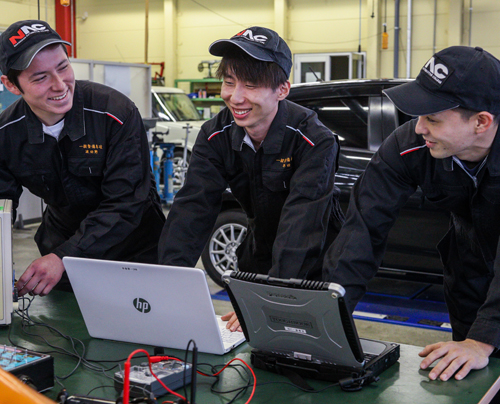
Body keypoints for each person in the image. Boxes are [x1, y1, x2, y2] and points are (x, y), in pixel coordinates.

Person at [323, 45, 500, 382]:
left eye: (432, 117)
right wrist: (328, 314)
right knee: (479, 393)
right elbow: (362, 228)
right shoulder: (410, 146)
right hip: (469, 278)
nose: (419, 128)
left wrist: (484, 337)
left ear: (481, 122)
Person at [158, 26, 344, 329]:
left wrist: (269, 301)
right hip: (258, 249)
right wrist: (167, 282)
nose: (235, 97)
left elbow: (301, 225)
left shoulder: (313, 140)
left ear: (282, 90)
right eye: (229, 82)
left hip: (315, 259)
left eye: (251, 85)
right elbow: (192, 209)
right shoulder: (214, 135)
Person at [0, 20, 165, 297]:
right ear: (12, 85)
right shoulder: (6, 135)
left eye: (63, 67)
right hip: (62, 246)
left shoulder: (115, 113)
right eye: (40, 78)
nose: (59, 85)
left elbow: (126, 203)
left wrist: (64, 256)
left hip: (136, 248)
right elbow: (1, 210)